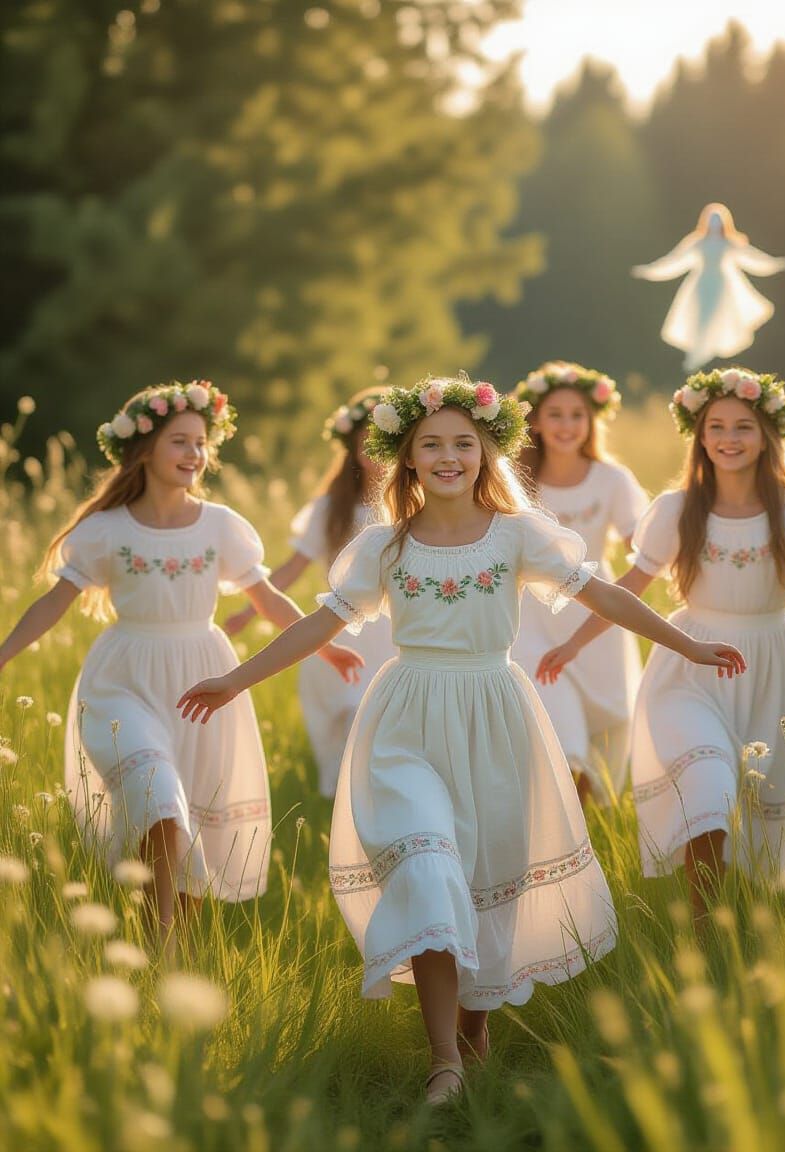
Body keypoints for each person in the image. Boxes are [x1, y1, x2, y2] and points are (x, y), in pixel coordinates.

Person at [177, 376, 744, 1103]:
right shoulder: (385, 546)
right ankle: (445, 1056)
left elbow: (603, 593)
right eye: (430, 445)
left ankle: (474, 1028)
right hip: (407, 719)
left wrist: (687, 643)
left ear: (487, 454)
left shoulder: (515, 534)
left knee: (483, 885)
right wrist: (236, 679)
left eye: (463, 444)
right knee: (427, 865)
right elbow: (319, 624)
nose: (448, 457)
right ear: (405, 460)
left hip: (496, 714)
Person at [0, 380, 361, 945]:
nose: (194, 454)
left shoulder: (220, 525)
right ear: (144, 450)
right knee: (158, 799)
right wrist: (3, 654)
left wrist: (324, 643)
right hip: (123, 679)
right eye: (180, 442)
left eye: (200, 443)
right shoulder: (105, 531)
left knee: (188, 819)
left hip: (200, 675)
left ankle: (163, 943)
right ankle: (162, 944)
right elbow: (53, 603)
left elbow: (265, 598)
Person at [538, 367, 785, 918]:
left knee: (759, 813)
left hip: (771, 665)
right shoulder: (678, 511)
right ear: (700, 437)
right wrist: (573, 645)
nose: (729, 438)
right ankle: (704, 933)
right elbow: (627, 587)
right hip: (689, 662)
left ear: (766, 436)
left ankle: (749, 922)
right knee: (707, 791)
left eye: (743, 427)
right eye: (717, 427)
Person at [224, 389, 395, 797]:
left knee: (383, 729)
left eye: (383, 442)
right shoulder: (331, 509)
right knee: (352, 720)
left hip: (391, 635)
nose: (374, 452)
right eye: (365, 442)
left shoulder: (410, 505)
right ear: (351, 449)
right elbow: (292, 568)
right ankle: (347, 815)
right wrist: (249, 612)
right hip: (338, 628)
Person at [512, 361, 648, 805]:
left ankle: (587, 830)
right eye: (555, 414)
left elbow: (642, 545)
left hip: (596, 608)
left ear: (592, 421)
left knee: (605, 726)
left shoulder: (612, 479)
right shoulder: (517, 482)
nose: (567, 425)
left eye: (577, 415)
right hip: (532, 615)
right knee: (559, 728)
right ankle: (558, 821)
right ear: (535, 420)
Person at [633, 203, 785, 371]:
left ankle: (710, 362)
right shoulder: (697, 242)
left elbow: (752, 258)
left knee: (721, 321)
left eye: (718, 220)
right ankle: (696, 361)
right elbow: (674, 262)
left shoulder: (730, 242)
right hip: (701, 287)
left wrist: (775, 264)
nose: (715, 224)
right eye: (711, 220)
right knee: (701, 320)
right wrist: (649, 271)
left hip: (722, 287)